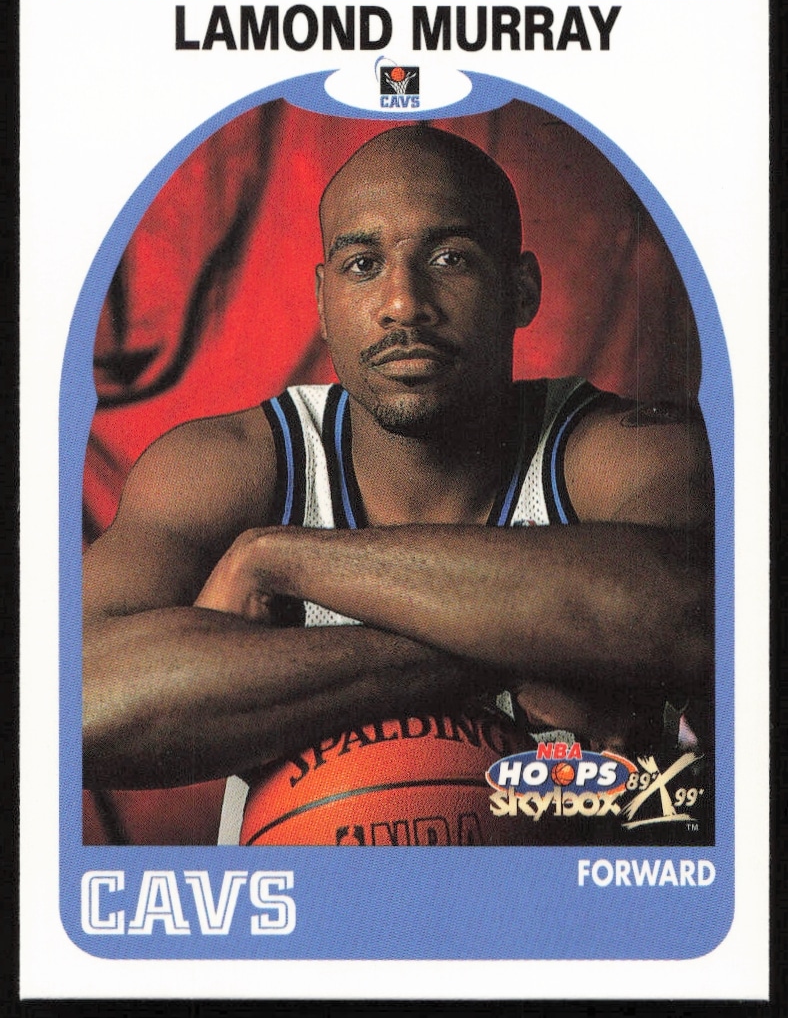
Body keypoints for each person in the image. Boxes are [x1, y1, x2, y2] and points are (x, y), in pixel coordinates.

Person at [82, 125, 713, 844]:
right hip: (292, 914)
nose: (404, 303)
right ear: (323, 299)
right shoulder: (229, 468)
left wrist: (278, 558)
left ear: (521, 289)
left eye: (450, 258)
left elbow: (698, 616)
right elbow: (73, 704)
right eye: (362, 264)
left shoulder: (620, 452)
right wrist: (521, 653)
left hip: (561, 913)